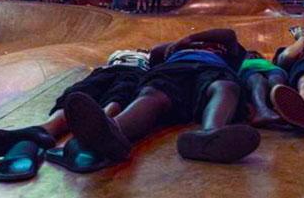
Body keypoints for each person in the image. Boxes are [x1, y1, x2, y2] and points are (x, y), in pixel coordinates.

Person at [61, 28, 259, 168]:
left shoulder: (228, 55)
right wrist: (178, 46)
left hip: (212, 70)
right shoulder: (176, 52)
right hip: (173, 71)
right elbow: (155, 53)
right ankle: (111, 131)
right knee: (153, 95)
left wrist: (190, 38)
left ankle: (211, 134)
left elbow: (228, 34)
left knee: (225, 87)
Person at [0, 50, 151, 180]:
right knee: (79, 93)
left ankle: (103, 124)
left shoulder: (151, 59)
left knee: (122, 90)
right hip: (105, 70)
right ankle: (46, 129)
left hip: (136, 73)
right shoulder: (118, 54)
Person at [239, 50, 292, 130]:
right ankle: (262, 111)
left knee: (275, 80)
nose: (251, 55)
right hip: (249, 71)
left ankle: (281, 109)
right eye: (248, 54)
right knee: (257, 80)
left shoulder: (267, 63)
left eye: (254, 54)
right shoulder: (241, 63)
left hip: (273, 70)